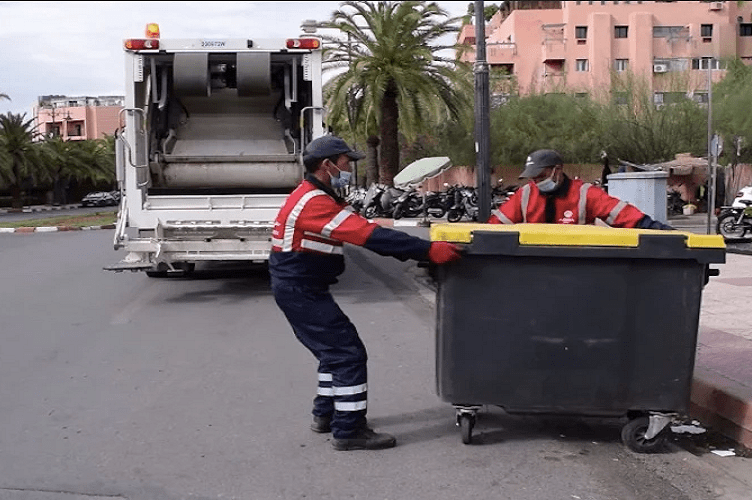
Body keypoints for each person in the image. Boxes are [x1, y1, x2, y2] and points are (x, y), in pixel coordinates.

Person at [269, 135, 462, 451]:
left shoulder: (319, 195)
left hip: (301, 287)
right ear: (328, 165)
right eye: (347, 162)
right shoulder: (315, 202)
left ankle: (326, 415)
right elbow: (368, 236)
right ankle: (349, 431)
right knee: (347, 354)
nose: (350, 167)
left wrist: (408, 237)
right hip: (300, 289)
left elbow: (360, 224)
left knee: (333, 353)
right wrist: (428, 250)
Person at [488, 149, 673, 229]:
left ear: (557, 170)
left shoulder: (584, 194)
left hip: (575, 266)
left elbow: (624, 216)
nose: (537, 182)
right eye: (534, 178)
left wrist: (662, 232)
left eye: (542, 177)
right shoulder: (525, 195)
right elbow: (493, 227)